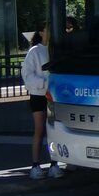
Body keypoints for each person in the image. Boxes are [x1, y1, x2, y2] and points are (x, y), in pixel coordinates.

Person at [22, 27, 62, 180]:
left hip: (52, 95)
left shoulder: (55, 49)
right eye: (46, 29)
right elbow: (27, 76)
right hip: (39, 95)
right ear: (40, 32)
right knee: (39, 130)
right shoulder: (34, 51)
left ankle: (54, 163)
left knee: (52, 130)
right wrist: (44, 84)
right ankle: (35, 165)